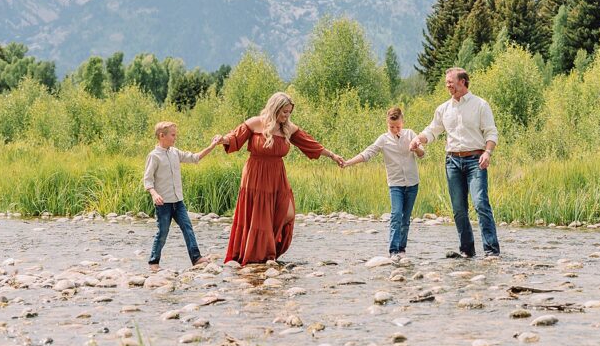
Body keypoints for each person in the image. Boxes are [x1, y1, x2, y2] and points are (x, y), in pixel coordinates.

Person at [220, 92, 344, 265]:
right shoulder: (256, 123)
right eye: (284, 112)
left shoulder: (288, 128)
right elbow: (234, 138)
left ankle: (267, 250)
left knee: (288, 213)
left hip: (277, 176)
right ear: (275, 108)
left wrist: (332, 155)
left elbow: (310, 144)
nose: (287, 116)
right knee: (260, 215)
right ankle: (257, 256)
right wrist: (222, 139)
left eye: (289, 112)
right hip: (255, 175)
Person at [410, 67, 500, 258]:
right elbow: (433, 130)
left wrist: (488, 152)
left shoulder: (480, 105)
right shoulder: (444, 109)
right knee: (459, 209)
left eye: (450, 82)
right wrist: (419, 139)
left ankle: (492, 251)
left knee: (480, 203)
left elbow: (491, 132)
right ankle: (467, 251)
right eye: (446, 82)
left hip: (476, 160)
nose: (448, 85)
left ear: (463, 82)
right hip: (452, 162)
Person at [340, 107, 425, 259]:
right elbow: (367, 153)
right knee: (396, 215)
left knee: (406, 218)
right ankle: (393, 251)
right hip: (395, 184)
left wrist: (416, 148)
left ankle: (402, 249)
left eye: (398, 126)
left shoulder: (411, 134)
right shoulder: (383, 139)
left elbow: (422, 154)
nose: (395, 129)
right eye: (391, 127)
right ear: (387, 124)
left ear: (402, 122)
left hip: (412, 183)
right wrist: (348, 163)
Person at [143, 121, 223, 273]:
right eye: (173, 135)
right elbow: (147, 180)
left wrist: (212, 146)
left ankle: (196, 258)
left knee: (188, 227)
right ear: (162, 136)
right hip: (163, 203)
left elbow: (195, 157)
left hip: (178, 201)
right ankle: (154, 262)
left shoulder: (175, 152)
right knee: (163, 232)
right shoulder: (154, 156)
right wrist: (154, 194)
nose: (175, 138)